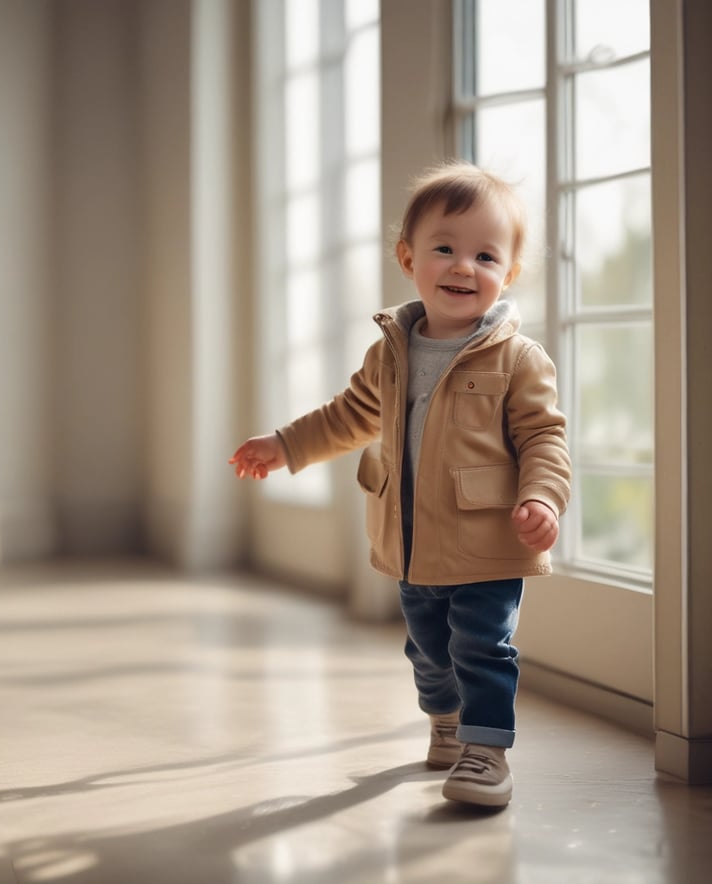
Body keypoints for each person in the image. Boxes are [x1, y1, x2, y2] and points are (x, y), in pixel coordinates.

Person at [229, 160, 571, 809]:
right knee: (429, 652)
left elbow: (544, 438)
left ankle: (486, 750)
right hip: (412, 540)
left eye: (485, 255)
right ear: (407, 256)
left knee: (483, 646)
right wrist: (285, 446)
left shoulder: (518, 359)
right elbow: (348, 415)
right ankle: (444, 717)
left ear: (508, 274)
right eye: (445, 248)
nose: (463, 267)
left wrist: (541, 497)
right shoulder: (391, 351)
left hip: (487, 538)